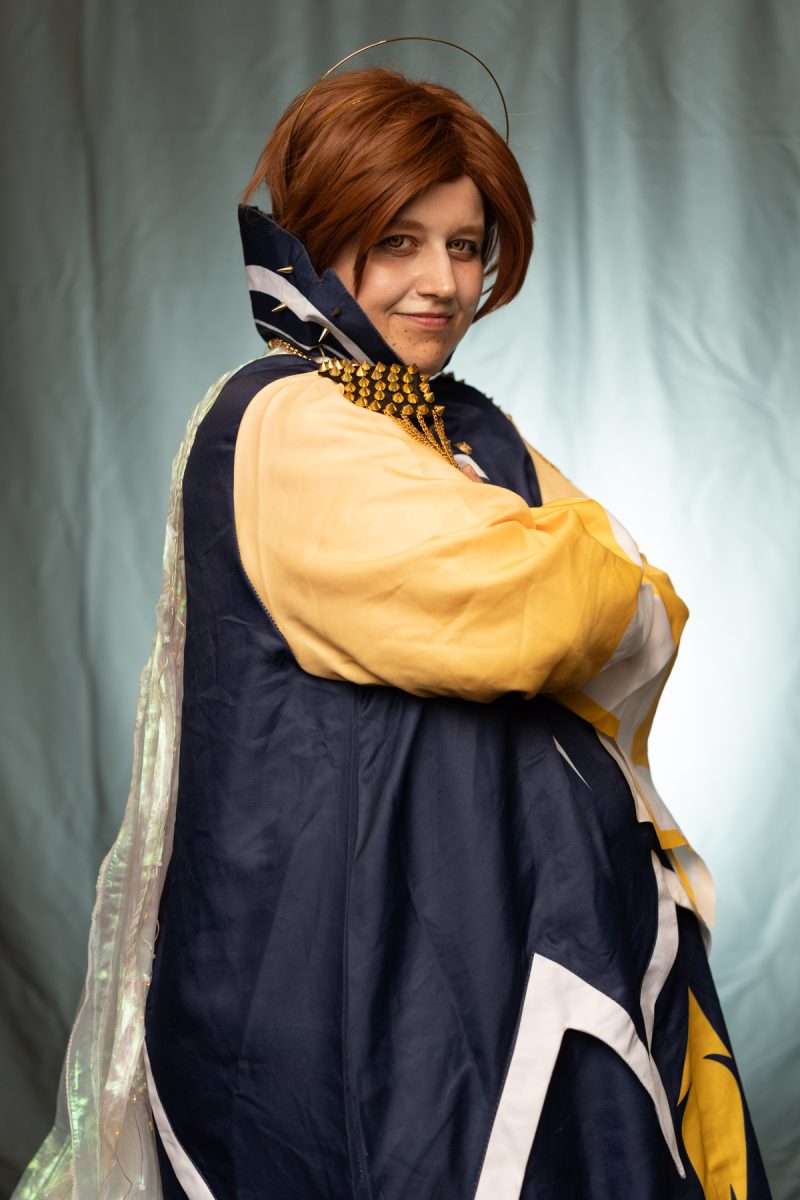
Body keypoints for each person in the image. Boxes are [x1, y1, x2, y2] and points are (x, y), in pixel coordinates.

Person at [14, 63, 771, 1200]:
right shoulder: (287, 418)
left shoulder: (457, 424)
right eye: (398, 242)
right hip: (355, 984)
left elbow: (645, 599)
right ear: (324, 240)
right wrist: (572, 569)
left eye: (465, 247)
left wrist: (585, 577)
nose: (441, 283)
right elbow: (527, 613)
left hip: (506, 951)